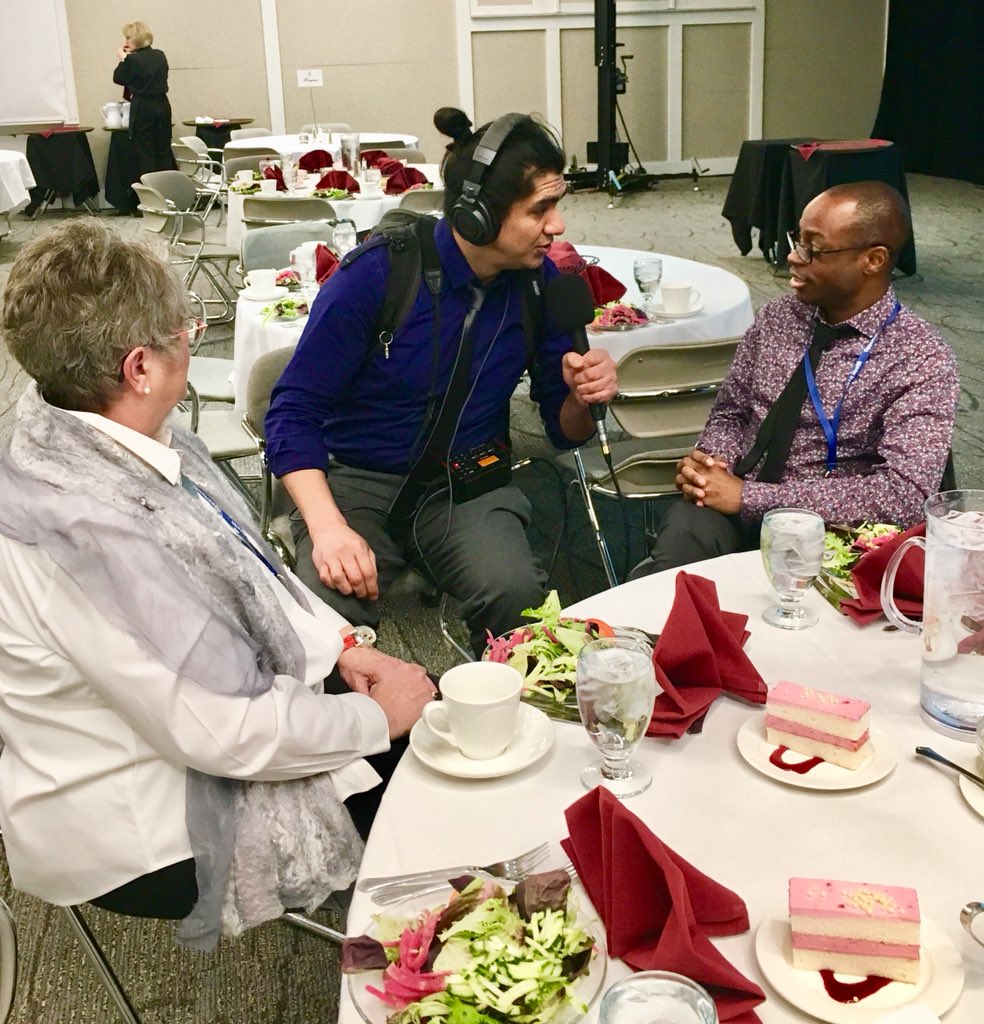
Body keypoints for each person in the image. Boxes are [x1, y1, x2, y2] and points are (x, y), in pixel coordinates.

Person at [0, 221, 436, 949]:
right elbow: (221, 735)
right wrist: (376, 721)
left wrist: (339, 646)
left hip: (193, 724)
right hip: (139, 820)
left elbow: (244, 563)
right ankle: (420, 952)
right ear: (140, 367)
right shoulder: (87, 535)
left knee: (445, 715)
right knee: (442, 772)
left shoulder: (91, 431)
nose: (192, 340)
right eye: (187, 329)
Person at [265, 107, 618, 656]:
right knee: (324, 620)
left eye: (558, 205)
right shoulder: (379, 274)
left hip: (468, 482)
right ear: (477, 214)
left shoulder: (541, 285)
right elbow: (292, 410)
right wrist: (327, 527)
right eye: (540, 209)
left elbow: (563, 431)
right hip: (357, 480)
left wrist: (581, 395)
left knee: (519, 603)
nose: (558, 225)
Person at [633, 180, 959, 575]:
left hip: (833, 531)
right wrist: (712, 463)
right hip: (732, 499)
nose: (793, 256)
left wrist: (752, 498)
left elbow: (903, 496)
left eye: (813, 247)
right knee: (677, 566)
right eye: (796, 239)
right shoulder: (777, 318)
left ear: (872, 260)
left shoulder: (919, 356)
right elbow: (731, 412)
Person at [112, 20, 174, 178]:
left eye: (128, 38)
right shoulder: (160, 55)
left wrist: (123, 59)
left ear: (137, 38)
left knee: (145, 152)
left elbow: (118, 78)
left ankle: (152, 192)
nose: (125, 42)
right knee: (163, 149)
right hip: (162, 106)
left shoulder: (132, 60)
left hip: (143, 108)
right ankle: (167, 189)